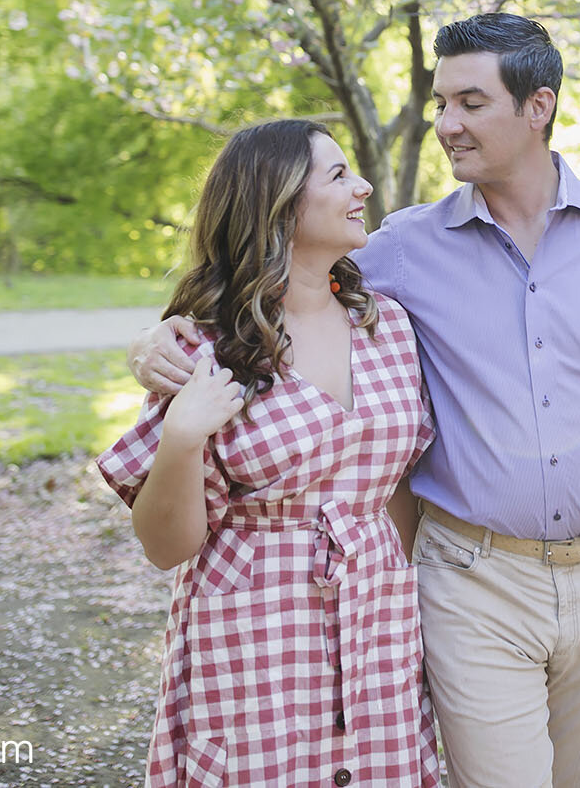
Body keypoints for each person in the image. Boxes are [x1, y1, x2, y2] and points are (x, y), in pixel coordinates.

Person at [130, 12, 580, 788]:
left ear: (536, 106)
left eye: (470, 103)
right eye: (441, 103)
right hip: (471, 579)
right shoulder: (402, 247)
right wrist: (156, 340)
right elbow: (266, 274)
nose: (446, 125)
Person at [97, 119, 438, 788]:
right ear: (278, 202)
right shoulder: (205, 346)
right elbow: (167, 547)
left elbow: (394, 486)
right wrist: (181, 437)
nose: (362, 185)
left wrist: (393, 588)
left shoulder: (387, 325)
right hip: (253, 631)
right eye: (338, 175)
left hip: (377, 621)